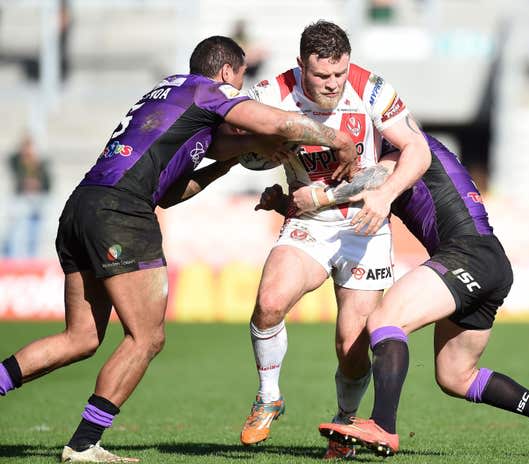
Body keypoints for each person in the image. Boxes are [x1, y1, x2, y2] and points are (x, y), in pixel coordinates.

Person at [0, 35, 359, 464]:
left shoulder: (171, 96)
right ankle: (83, 445)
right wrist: (337, 139)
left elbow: (170, 193)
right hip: (123, 213)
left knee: (80, 337)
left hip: (83, 206)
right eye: (239, 82)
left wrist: (225, 162)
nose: (238, 91)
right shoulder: (210, 89)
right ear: (228, 72)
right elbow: (280, 124)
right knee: (147, 337)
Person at [303, 132, 529, 458]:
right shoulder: (398, 146)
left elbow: (375, 177)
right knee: (457, 376)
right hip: (489, 261)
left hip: (467, 255)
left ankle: (382, 425)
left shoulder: (404, 146)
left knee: (386, 320)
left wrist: (315, 197)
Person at [237, 20, 431, 459]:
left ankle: (345, 423)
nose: (332, 84)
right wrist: (261, 151)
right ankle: (269, 397)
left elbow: (416, 150)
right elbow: (232, 140)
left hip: (363, 225)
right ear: (301, 65)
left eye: (339, 75)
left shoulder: (373, 89)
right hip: (310, 223)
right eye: (321, 76)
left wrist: (385, 196)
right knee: (269, 302)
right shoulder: (272, 91)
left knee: (351, 346)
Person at [3, 134, 52, 258]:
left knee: (34, 230)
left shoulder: (40, 163)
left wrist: (37, 183)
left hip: (37, 200)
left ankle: (32, 256)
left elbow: (48, 183)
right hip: (22, 199)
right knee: (17, 229)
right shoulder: (18, 161)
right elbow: (12, 164)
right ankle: (13, 257)